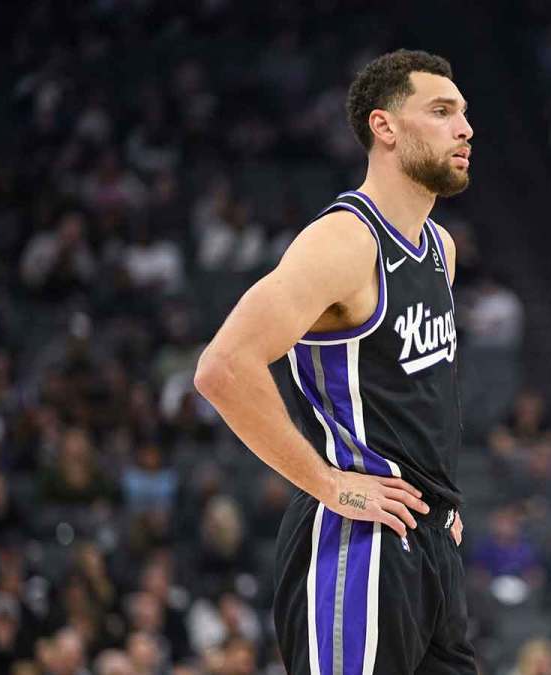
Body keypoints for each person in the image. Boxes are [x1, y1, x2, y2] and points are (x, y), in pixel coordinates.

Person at [194, 49, 475, 674]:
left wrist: (439, 508)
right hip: (358, 544)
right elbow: (223, 367)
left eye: (463, 113)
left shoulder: (440, 248)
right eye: (441, 111)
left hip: (428, 543)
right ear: (385, 127)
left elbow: (414, 395)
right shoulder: (344, 242)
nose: (465, 128)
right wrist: (327, 484)